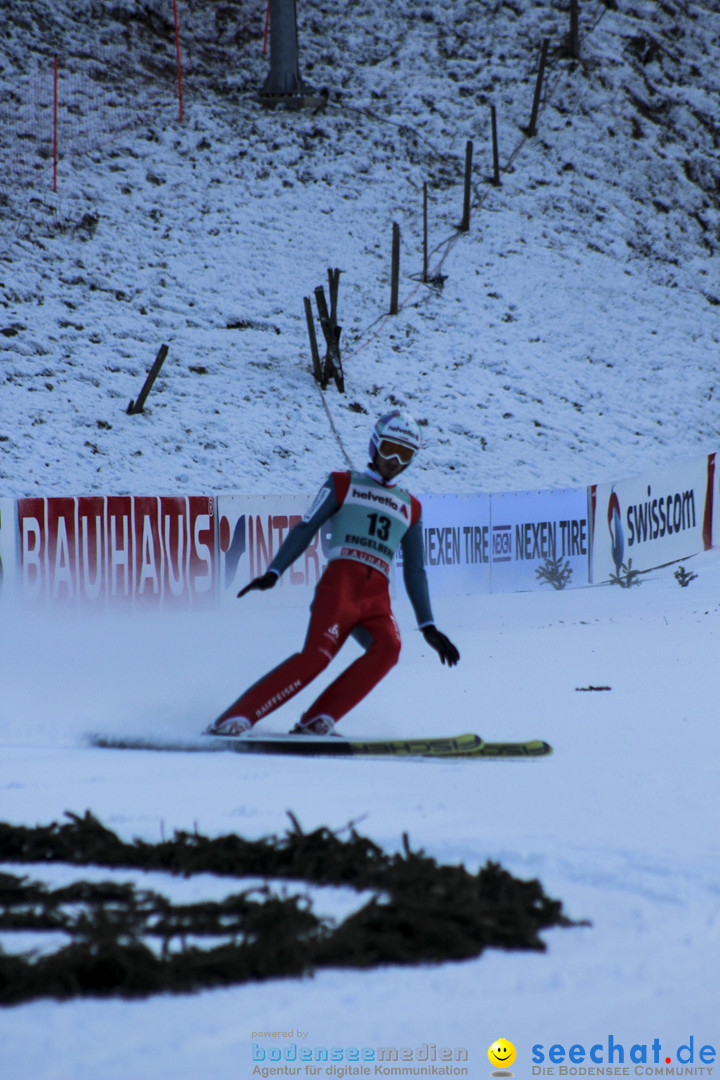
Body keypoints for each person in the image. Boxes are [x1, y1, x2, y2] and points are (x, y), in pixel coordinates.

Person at [207, 410, 460, 738]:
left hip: (376, 599)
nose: (395, 460)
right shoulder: (343, 484)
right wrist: (274, 571)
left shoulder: (411, 506)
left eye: (406, 453)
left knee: (389, 648)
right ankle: (235, 717)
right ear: (374, 446)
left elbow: (415, 569)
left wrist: (428, 624)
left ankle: (318, 719)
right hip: (340, 588)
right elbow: (307, 527)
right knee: (316, 658)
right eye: (389, 449)